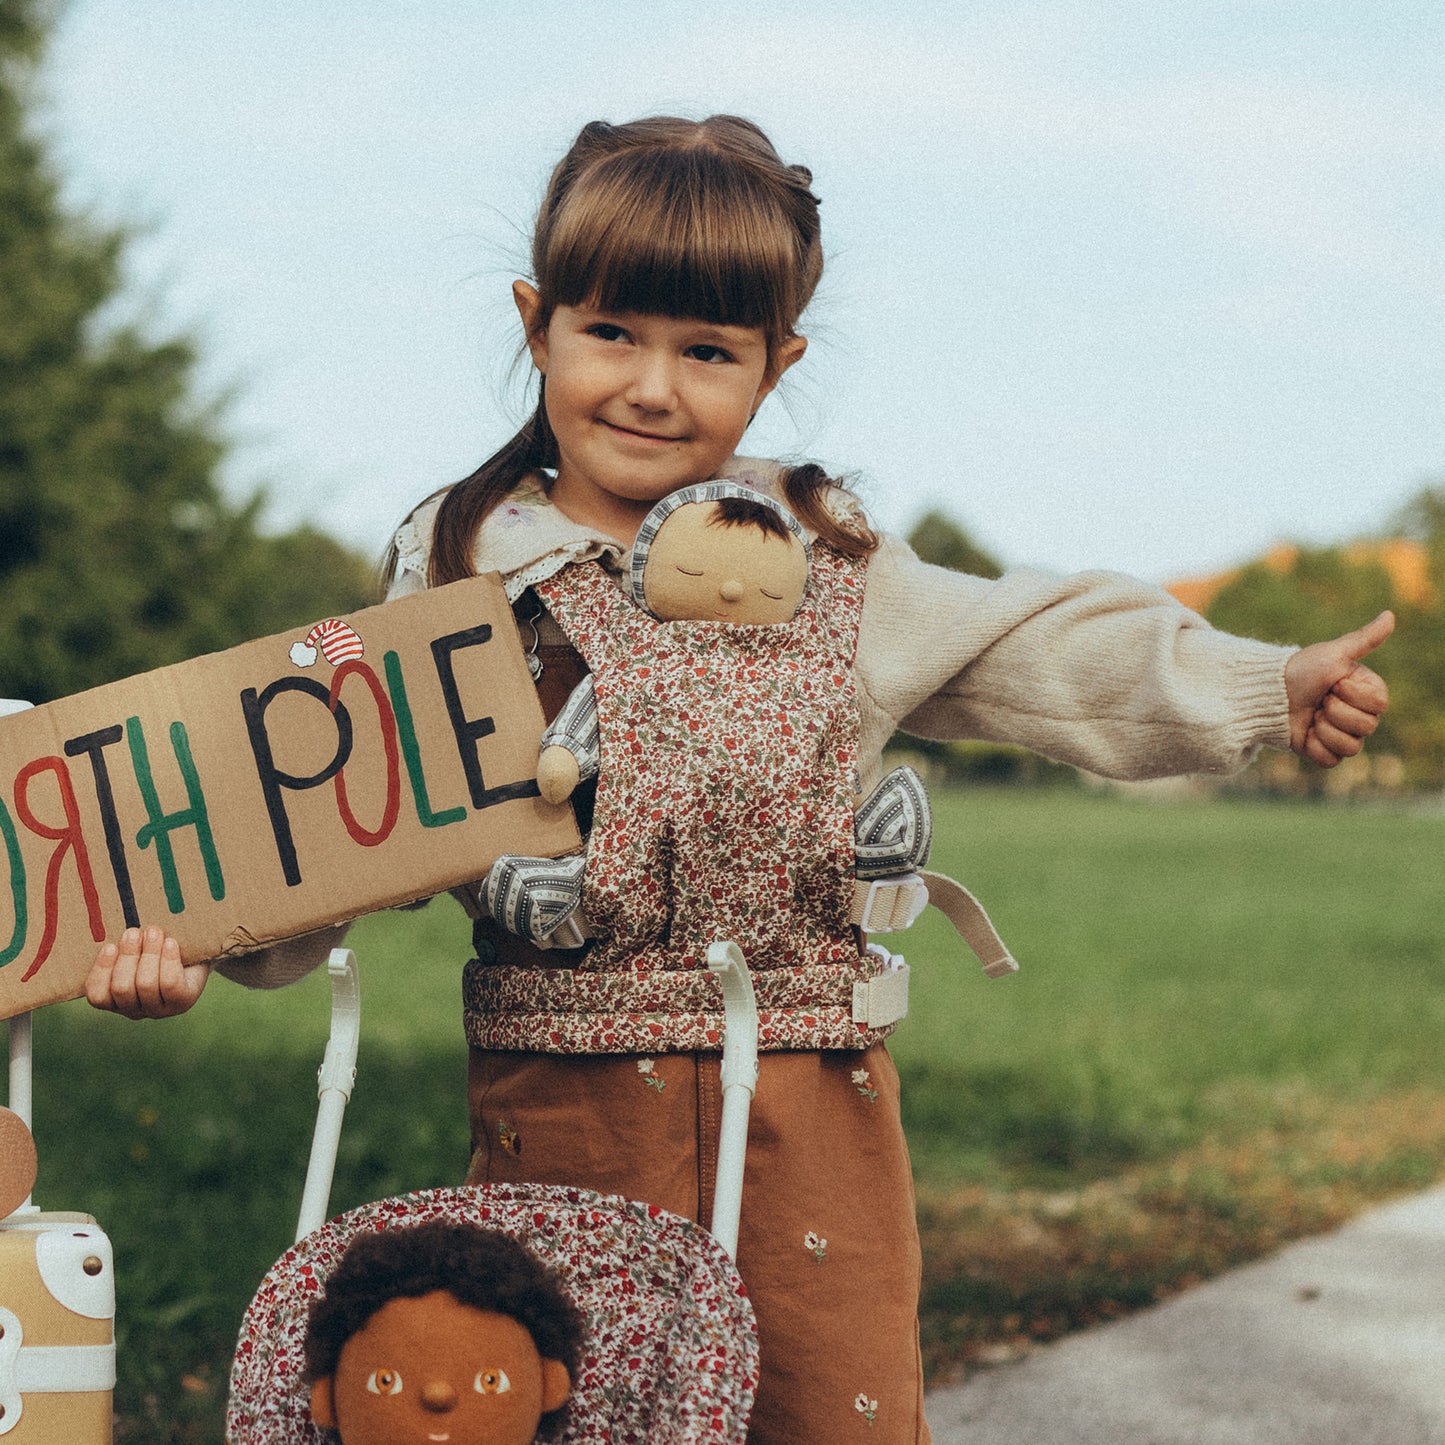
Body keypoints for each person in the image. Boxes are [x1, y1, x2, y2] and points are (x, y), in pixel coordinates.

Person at [87, 115, 1393, 1442]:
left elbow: (1032, 646)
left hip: (808, 1106)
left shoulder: (831, 558)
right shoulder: (467, 564)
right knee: (584, 1405)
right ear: (537, 324)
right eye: (611, 333)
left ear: (776, 367)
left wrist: (1257, 682)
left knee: (829, 1407)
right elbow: (339, 805)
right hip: (566, 1107)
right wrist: (189, 940)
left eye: (707, 351)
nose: (652, 386)